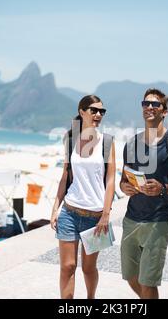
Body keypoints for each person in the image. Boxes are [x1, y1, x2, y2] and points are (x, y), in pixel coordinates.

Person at [119, 88, 168, 299]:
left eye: (155, 104)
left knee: (148, 281)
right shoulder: (132, 143)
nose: (150, 107)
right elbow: (124, 179)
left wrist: (164, 188)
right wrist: (124, 187)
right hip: (132, 218)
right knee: (131, 276)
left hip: (159, 221)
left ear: (165, 111)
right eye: (146, 104)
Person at [50, 95, 115, 299]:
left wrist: (106, 214)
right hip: (69, 212)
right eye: (93, 110)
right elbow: (65, 176)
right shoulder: (70, 140)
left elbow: (111, 180)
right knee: (68, 267)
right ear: (82, 112)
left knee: (89, 268)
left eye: (101, 112)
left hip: (95, 217)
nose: (98, 115)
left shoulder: (107, 142)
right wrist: (55, 207)